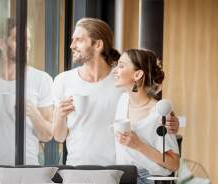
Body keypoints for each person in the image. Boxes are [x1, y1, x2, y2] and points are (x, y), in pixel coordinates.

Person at [52, 17, 179, 166]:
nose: (72, 45)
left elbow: (147, 105)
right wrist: (60, 115)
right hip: (75, 168)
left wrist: (170, 121)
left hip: (115, 172)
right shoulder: (63, 81)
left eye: (79, 40)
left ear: (98, 44)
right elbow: (59, 137)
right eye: (73, 40)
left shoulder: (122, 82)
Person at [0, 18, 54, 165]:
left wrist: (33, 112)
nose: (27, 45)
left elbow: (46, 135)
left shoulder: (42, 80)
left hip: (27, 169)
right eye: (19, 39)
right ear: (1, 44)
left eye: (29, 40)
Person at [112, 48, 180, 184]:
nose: (115, 70)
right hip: (123, 182)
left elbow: (174, 163)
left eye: (121, 66)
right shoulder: (123, 101)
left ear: (138, 74)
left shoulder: (159, 114)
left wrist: (138, 145)